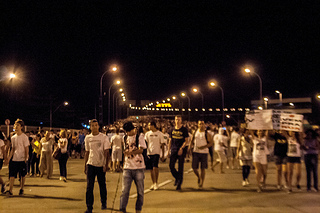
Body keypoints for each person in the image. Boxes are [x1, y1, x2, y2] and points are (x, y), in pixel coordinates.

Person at [84, 119, 110, 213]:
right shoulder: (88, 138)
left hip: (100, 165)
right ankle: (89, 207)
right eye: (92, 125)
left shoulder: (104, 137)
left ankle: (104, 202)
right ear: (90, 127)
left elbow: (106, 152)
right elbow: (87, 152)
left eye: (96, 125)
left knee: (102, 185)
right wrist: (85, 165)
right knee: (89, 187)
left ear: (98, 126)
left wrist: (106, 165)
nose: (94, 127)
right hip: (91, 164)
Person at [120, 121, 146, 213]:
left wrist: (131, 153)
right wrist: (123, 163)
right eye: (126, 131)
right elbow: (125, 150)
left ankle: (138, 210)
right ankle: (122, 209)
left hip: (139, 167)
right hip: (127, 167)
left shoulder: (140, 137)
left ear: (133, 129)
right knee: (124, 191)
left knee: (140, 192)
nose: (127, 133)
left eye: (129, 131)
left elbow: (141, 150)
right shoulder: (124, 137)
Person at [6, 119, 29, 196]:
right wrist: (9, 158)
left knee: (22, 175)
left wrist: (26, 158)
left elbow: (26, 148)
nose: (15, 127)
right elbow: (13, 148)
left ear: (21, 127)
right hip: (15, 159)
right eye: (15, 125)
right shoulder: (13, 137)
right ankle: (10, 190)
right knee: (12, 175)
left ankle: (21, 188)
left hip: (22, 159)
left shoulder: (24, 137)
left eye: (18, 125)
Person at [189, 120, 213, 189]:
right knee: (194, 168)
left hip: (204, 153)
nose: (201, 125)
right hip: (195, 152)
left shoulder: (207, 133)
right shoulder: (195, 132)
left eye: (202, 124)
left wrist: (204, 147)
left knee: (203, 168)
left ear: (204, 125)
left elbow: (211, 143)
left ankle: (201, 183)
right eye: (200, 124)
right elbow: (191, 140)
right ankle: (199, 177)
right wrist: (189, 148)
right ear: (198, 125)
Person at [168, 115, 189, 190]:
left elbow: (186, 141)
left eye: (179, 120)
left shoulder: (184, 130)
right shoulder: (171, 129)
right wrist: (168, 151)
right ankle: (177, 177)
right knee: (171, 166)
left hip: (181, 150)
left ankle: (179, 183)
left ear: (181, 120)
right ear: (174, 120)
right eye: (176, 119)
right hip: (173, 149)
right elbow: (170, 141)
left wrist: (181, 148)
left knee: (180, 167)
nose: (177, 121)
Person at [145, 121, 165, 190]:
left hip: (156, 152)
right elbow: (145, 143)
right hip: (149, 153)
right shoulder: (147, 134)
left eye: (149, 125)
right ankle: (153, 183)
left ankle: (156, 182)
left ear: (153, 126)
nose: (148, 127)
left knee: (155, 167)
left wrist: (163, 154)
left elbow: (162, 145)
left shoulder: (159, 134)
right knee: (151, 169)